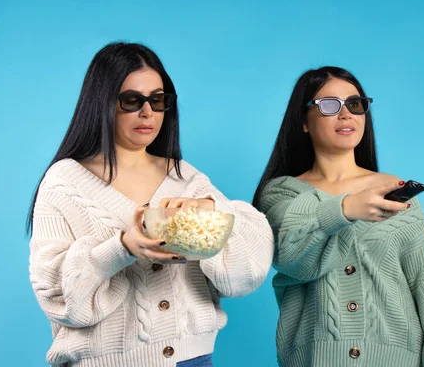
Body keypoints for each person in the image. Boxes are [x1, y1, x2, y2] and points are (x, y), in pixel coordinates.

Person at [28, 42, 274, 367]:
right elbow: (55, 294)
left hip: (193, 359)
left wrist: (214, 212)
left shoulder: (185, 177)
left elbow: (248, 271)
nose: (148, 112)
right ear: (101, 103)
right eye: (132, 100)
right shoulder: (64, 182)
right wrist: (122, 247)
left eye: (157, 100)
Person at [253, 66, 424, 367]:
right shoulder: (282, 194)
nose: (346, 115)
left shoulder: (394, 190)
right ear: (303, 122)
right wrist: (346, 209)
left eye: (355, 104)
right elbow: (293, 258)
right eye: (329, 105)